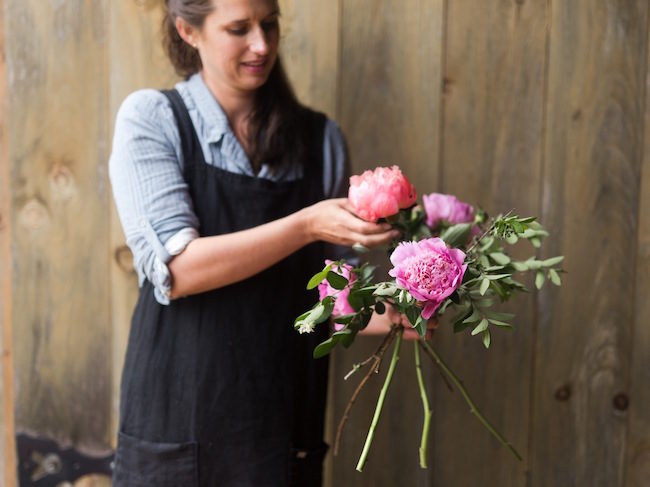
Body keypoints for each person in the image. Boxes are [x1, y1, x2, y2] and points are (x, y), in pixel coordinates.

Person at [109, 0, 424, 485]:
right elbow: (179, 272)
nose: (262, 45)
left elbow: (333, 292)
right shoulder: (153, 120)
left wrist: (403, 308)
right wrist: (305, 226)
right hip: (179, 422)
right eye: (238, 29)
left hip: (281, 423)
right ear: (188, 32)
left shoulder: (320, 140)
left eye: (270, 25)